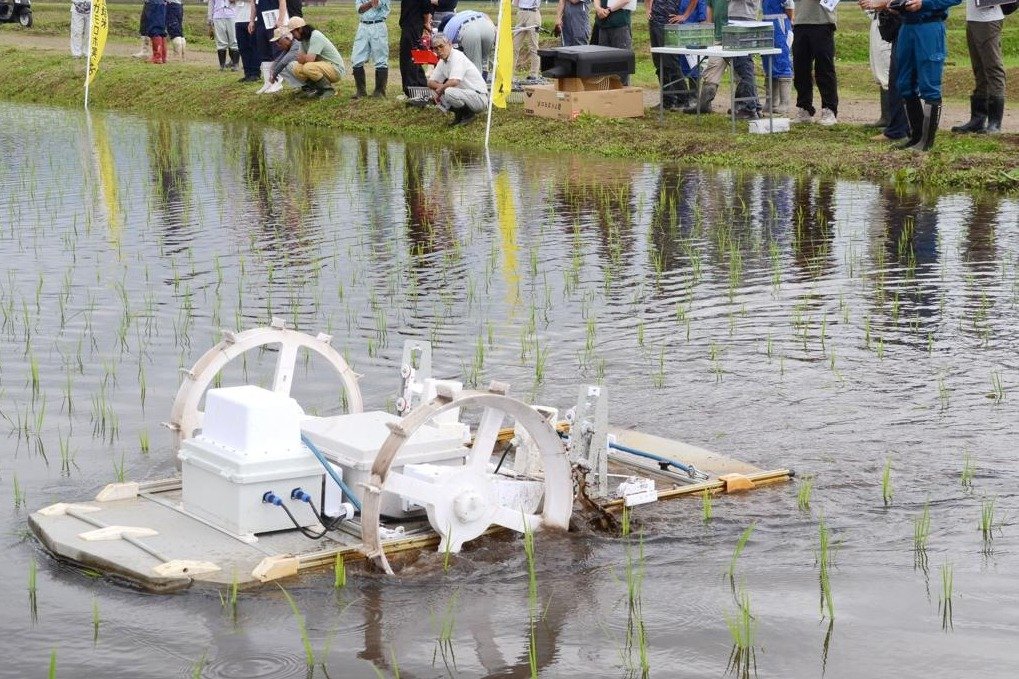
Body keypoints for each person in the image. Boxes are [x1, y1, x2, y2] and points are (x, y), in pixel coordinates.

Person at [895, 0, 962, 150]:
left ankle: (926, 142)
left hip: (929, 25)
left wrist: (924, 3)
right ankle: (916, 136)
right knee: (904, 83)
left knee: (929, 84)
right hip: (906, 25)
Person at [686, 0, 762, 118]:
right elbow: (709, 8)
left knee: (742, 71)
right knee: (713, 68)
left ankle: (751, 107)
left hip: (739, 25)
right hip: (722, 33)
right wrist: (708, 28)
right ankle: (704, 104)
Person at [951, 0, 1005, 134]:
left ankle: (994, 122)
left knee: (993, 68)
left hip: (988, 19)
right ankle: (978, 119)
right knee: (979, 69)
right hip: (973, 18)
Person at [791, 0, 839, 125]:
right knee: (800, 68)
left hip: (822, 22)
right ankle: (804, 108)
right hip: (800, 22)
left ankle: (829, 109)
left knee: (824, 68)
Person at [427, 33, 489, 126]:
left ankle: (468, 115)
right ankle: (459, 115)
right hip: (465, 94)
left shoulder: (457, 57)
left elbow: (454, 81)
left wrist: (441, 89)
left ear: (449, 44)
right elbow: (430, 82)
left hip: (479, 98)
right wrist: (439, 88)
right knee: (436, 91)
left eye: (441, 46)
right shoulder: (442, 61)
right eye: (436, 48)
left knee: (448, 91)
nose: (439, 50)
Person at [647, 0, 699, 110]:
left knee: (671, 63)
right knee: (659, 64)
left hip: (669, 23)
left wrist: (685, 16)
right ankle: (668, 100)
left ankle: (684, 99)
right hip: (654, 22)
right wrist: (648, 8)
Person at [289, 16, 346, 98]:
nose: (292, 36)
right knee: (296, 68)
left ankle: (328, 90)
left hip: (335, 69)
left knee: (308, 67)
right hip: (322, 66)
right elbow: (299, 59)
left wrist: (305, 57)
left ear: (300, 29)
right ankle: (318, 89)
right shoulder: (303, 39)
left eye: (292, 32)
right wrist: (306, 57)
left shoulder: (315, 36)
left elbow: (309, 59)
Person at [351, 0, 391, 99]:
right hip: (362, 26)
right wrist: (370, 3)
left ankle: (379, 92)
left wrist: (368, 4)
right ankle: (361, 91)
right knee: (356, 58)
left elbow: (376, 4)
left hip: (378, 25)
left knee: (380, 59)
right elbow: (360, 9)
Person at [441, 9, 496, 77]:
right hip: (487, 27)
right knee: (484, 61)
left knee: (475, 64)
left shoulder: (447, 29)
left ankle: (477, 86)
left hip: (469, 30)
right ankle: (483, 82)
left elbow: (448, 53)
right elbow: (487, 17)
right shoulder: (465, 13)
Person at [763, 0, 794, 115]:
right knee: (768, 62)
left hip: (780, 24)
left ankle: (784, 103)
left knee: (782, 60)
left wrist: (789, 22)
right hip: (766, 23)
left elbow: (789, 6)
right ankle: (771, 102)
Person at [865, 9, 892, 127]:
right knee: (879, 70)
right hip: (878, 20)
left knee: (887, 72)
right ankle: (885, 116)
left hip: (890, 21)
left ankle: (892, 119)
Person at [399, 0, 432, 96]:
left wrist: (426, 23)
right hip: (411, 26)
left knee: (410, 59)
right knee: (415, 57)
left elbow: (426, 8)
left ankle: (412, 90)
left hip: (413, 26)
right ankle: (420, 87)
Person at [249, 0, 288, 72]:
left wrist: (280, 20)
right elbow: (253, 4)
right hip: (261, 23)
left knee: (277, 52)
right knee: (264, 54)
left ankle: (277, 81)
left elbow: (282, 2)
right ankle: (268, 81)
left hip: (274, 23)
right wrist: (251, 20)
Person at [264, 25, 302, 91]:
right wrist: (271, 70)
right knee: (279, 67)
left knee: (289, 65)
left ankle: (305, 86)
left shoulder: (296, 45)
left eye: (278, 41)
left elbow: (283, 62)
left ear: (287, 38)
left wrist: (273, 75)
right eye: (276, 42)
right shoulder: (289, 47)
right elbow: (278, 60)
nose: (277, 45)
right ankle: (300, 86)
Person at [513, 0, 542, 81]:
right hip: (521, 12)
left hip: (533, 13)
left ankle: (534, 74)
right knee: (514, 46)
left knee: (533, 45)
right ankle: (509, 73)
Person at [208, 0, 240, 71]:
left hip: (232, 15)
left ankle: (235, 64)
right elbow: (211, 4)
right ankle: (222, 65)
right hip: (217, 16)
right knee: (221, 41)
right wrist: (210, 19)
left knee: (234, 40)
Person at [144, 0, 168, 64]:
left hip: (154, 3)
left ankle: (157, 57)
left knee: (154, 28)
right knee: (161, 29)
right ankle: (163, 57)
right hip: (162, 3)